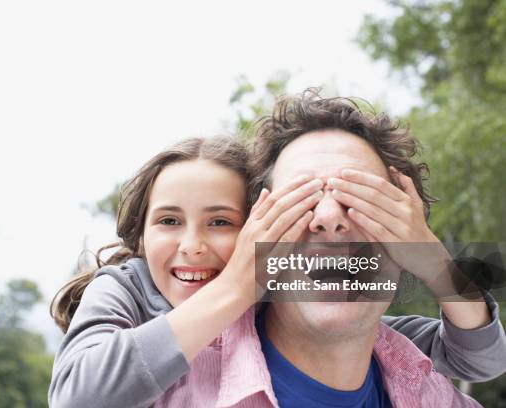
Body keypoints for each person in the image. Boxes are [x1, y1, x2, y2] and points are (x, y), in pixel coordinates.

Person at [49, 133, 505, 407]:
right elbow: (78, 395)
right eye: (168, 220)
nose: (193, 245)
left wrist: (431, 258)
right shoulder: (126, 286)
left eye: (221, 222)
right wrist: (235, 285)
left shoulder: (387, 350)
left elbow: (482, 357)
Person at [155, 90, 504, 407]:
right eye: (299, 199)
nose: (328, 218)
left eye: (362, 197)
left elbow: (485, 355)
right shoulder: (158, 393)